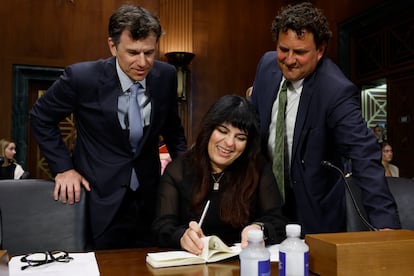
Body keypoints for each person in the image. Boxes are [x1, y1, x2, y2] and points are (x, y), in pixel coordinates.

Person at [29, 4, 187, 249]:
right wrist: (64, 168)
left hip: (150, 200)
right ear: (113, 46)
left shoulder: (165, 76)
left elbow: (173, 130)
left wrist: (185, 173)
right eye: (133, 52)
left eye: (149, 52)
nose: (143, 62)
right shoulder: (82, 78)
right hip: (98, 201)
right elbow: (40, 116)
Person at [250, 2, 401, 235]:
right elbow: (252, 126)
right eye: (283, 49)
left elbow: (363, 153)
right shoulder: (267, 65)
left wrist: (386, 225)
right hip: (265, 204)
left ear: (320, 51)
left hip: (313, 211)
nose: (289, 60)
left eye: (300, 52)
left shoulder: (335, 90)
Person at [152, 95, 287, 255]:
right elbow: (162, 227)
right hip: (192, 266)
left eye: (240, 138)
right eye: (223, 131)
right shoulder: (179, 170)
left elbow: (278, 220)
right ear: (209, 130)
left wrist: (259, 229)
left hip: (242, 263)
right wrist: (182, 237)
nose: (229, 143)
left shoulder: (257, 168)